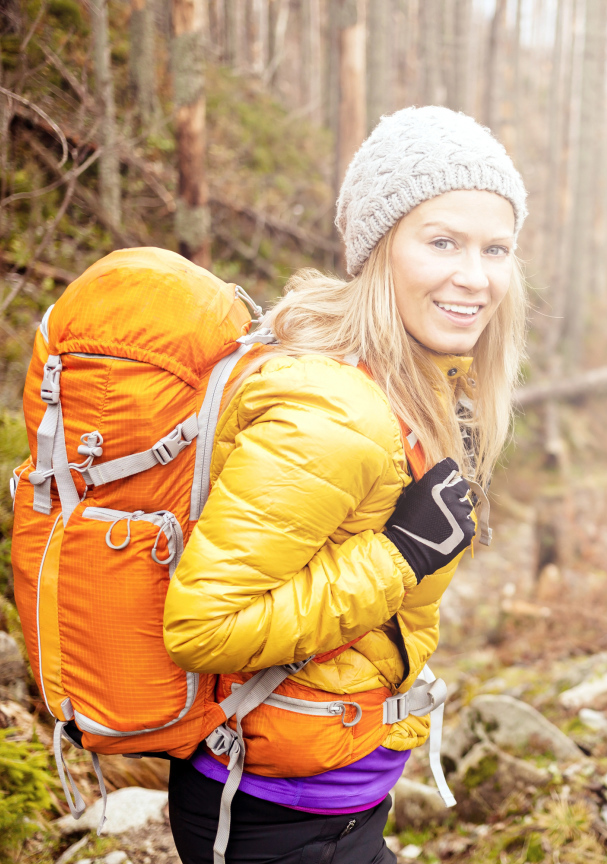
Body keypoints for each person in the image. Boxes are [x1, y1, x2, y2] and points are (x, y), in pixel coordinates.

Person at [161, 106, 528, 864]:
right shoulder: (335, 411)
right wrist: (398, 556)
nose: (477, 276)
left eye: (497, 248)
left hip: (336, 797)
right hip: (272, 818)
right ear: (377, 250)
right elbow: (202, 627)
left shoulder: (413, 390)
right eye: (442, 242)